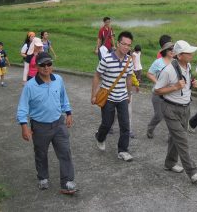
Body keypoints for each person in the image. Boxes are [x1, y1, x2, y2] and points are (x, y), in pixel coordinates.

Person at [17, 52, 77, 194]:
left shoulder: (58, 80)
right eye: (42, 65)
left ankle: (67, 182)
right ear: (37, 66)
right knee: (41, 153)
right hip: (40, 126)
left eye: (48, 64)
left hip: (58, 123)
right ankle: (43, 177)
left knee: (65, 152)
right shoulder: (30, 86)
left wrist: (68, 113)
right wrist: (24, 127)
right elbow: (22, 108)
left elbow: (63, 97)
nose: (46, 67)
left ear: (52, 65)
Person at [154, 40, 197, 184]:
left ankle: (169, 163)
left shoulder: (187, 65)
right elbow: (157, 90)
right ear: (180, 55)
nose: (192, 55)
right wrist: (175, 87)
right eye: (189, 53)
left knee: (175, 138)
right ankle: (193, 172)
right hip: (170, 109)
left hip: (185, 108)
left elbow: (186, 84)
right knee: (182, 140)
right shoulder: (168, 70)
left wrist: (194, 84)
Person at [91, 31, 134, 162]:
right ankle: (100, 136)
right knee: (107, 124)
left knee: (125, 125)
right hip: (108, 97)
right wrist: (93, 95)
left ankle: (123, 150)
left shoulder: (129, 60)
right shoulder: (107, 59)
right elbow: (97, 76)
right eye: (124, 44)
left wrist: (129, 94)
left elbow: (129, 79)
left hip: (122, 97)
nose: (126, 47)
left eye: (129, 45)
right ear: (118, 44)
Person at [146, 41, 175, 139]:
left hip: (171, 93)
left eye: (173, 49)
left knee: (171, 117)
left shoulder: (175, 62)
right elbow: (149, 74)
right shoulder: (158, 62)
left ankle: (171, 137)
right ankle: (150, 128)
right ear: (165, 51)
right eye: (170, 49)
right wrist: (158, 82)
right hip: (158, 93)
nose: (172, 51)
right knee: (159, 115)